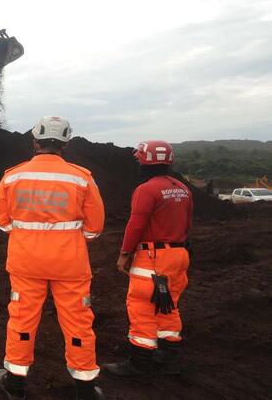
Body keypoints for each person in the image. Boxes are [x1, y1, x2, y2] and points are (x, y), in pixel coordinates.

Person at [0, 116, 105, 400]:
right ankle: (85, 388)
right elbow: (95, 227)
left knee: (22, 319)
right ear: (65, 145)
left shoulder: (12, 176)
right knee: (78, 321)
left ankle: (16, 384)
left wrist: (27, 234)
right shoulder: (81, 178)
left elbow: (3, 222)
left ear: (35, 142)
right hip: (70, 263)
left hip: (25, 261)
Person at [103, 140, 192, 377]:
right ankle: (169, 354)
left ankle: (139, 363)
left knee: (142, 306)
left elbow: (136, 225)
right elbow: (187, 224)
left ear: (145, 161)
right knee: (168, 304)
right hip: (179, 254)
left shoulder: (146, 190)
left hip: (153, 257)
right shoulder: (182, 189)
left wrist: (125, 254)